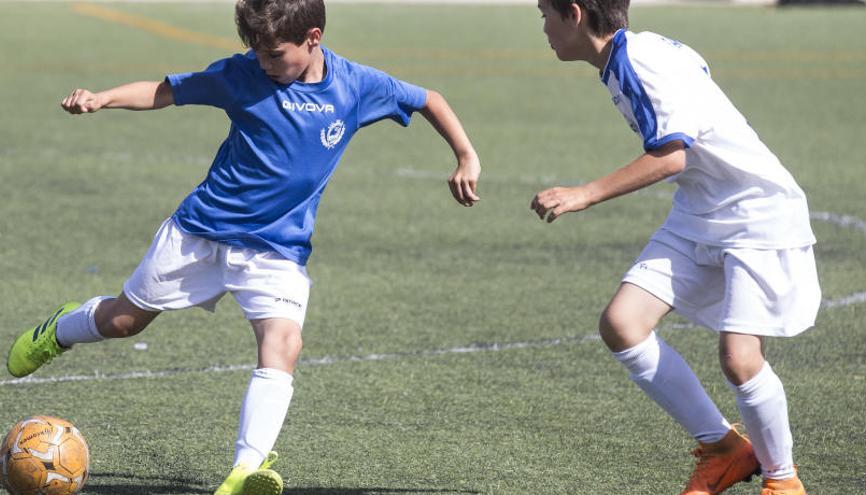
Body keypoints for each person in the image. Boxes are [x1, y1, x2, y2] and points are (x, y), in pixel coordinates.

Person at [6, 0, 480, 494]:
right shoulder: (242, 73)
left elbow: (429, 98)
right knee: (123, 321)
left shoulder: (356, 86)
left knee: (284, 343)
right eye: (256, 53)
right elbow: (166, 91)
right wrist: (102, 99)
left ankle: (244, 470)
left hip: (277, 249)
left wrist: (466, 155)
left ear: (313, 38)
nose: (264, 64)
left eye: (275, 54)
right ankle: (57, 331)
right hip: (201, 233)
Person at [529, 1, 819, 494]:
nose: (542, 26)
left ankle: (783, 480)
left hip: (755, 213)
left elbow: (671, 158)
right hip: (700, 212)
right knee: (623, 324)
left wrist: (584, 194)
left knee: (740, 358)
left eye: (544, 13)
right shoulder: (638, 52)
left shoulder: (639, 61)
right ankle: (726, 449)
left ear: (574, 14)